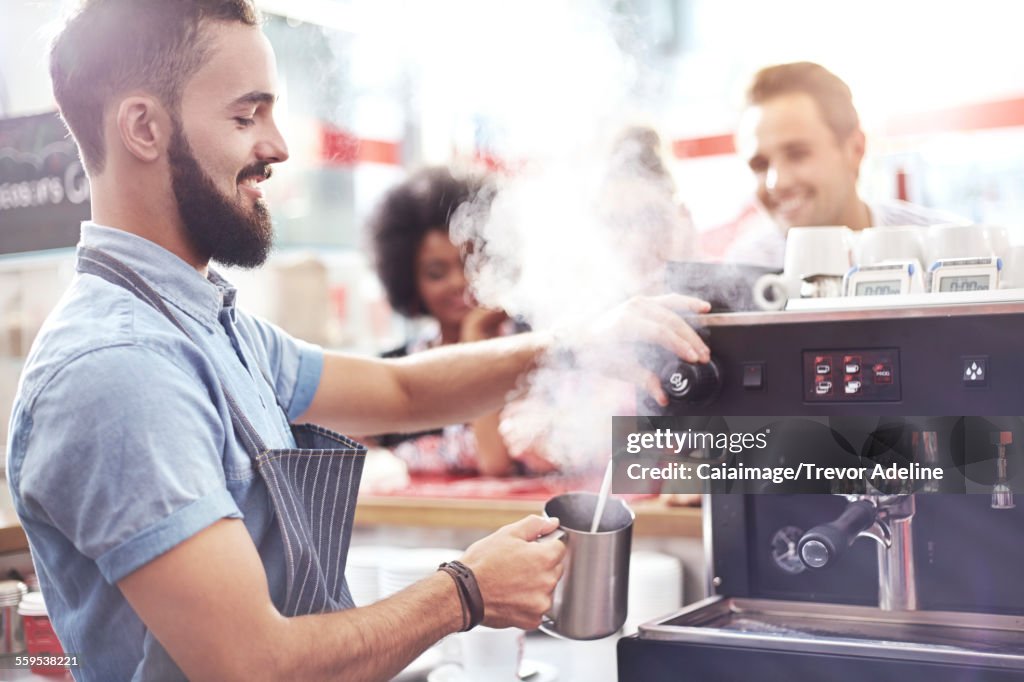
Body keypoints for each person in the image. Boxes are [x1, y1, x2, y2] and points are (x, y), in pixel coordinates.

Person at [5, 2, 711, 680]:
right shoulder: (121, 370)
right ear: (143, 128)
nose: (278, 146)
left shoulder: (207, 327)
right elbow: (253, 667)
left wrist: (577, 342)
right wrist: (465, 592)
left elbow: (402, 390)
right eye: (247, 115)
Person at [367, 166, 554, 476]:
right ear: (410, 281)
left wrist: (476, 335)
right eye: (436, 273)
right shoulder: (397, 367)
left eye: (471, 261)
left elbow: (494, 464)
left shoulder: (534, 352)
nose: (459, 282)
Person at [727, 61, 962, 267]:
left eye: (797, 154)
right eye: (759, 165)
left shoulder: (949, 248)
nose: (777, 182)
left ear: (855, 149)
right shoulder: (746, 267)